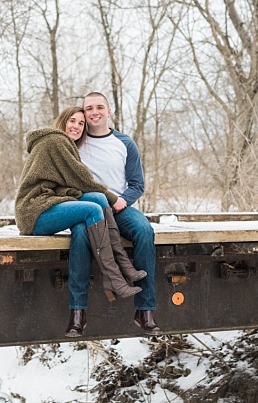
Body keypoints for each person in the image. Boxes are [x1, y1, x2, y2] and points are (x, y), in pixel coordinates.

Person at [15, 106, 146, 338]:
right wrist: (114, 198)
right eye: (72, 121)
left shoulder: (59, 143)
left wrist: (99, 195)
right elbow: (82, 178)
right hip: (34, 212)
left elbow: (63, 185)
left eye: (81, 123)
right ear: (62, 122)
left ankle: (121, 268)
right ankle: (115, 276)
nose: (76, 126)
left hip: (48, 203)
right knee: (93, 208)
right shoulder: (56, 141)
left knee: (93, 204)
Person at [80, 92, 161, 335]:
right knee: (80, 239)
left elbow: (137, 184)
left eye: (99, 107)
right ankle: (78, 311)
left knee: (145, 231)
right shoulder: (75, 142)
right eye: (89, 108)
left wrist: (122, 201)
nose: (94, 112)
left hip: (118, 208)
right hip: (88, 210)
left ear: (109, 111)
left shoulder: (124, 143)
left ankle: (145, 310)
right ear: (83, 113)